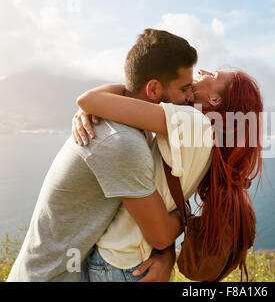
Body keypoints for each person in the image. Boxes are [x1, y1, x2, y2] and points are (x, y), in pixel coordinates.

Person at [7, 29, 198, 282]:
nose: (190, 97)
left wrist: (165, 257)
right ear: (153, 89)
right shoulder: (122, 141)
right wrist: (186, 213)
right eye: (184, 88)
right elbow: (160, 235)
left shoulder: (135, 127)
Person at [72, 68, 264, 282]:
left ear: (215, 99)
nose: (201, 71)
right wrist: (98, 109)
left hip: (118, 261)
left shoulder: (193, 122)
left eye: (213, 75)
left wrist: (93, 109)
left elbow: (89, 99)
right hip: (134, 260)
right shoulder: (208, 138)